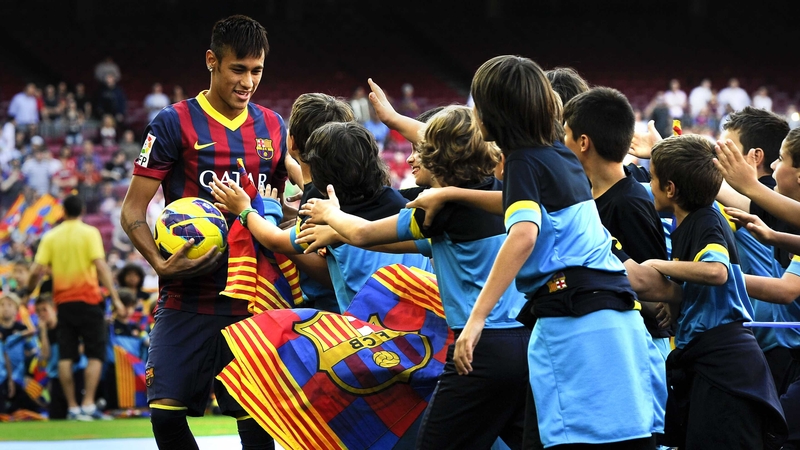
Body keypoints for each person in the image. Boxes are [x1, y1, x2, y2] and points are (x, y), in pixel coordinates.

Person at [454, 55, 664, 449]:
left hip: (574, 324)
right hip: (618, 320)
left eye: (477, 103)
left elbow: (523, 235)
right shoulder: (560, 155)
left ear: (494, 111)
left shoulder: (522, 163)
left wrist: (476, 319)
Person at [297, 104, 530, 450]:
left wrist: (331, 215)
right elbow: (398, 242)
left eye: (420, 149)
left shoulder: (439, 212)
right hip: (525, 342)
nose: (409, 159)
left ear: (440, 159)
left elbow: (365, 234)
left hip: (478, 347)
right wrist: (338, 234)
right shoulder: (503, 198)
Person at [119, 15, 286, 450]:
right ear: (212, 61)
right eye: (238, 69)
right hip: (186, 295)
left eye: (257, 71)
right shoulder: (173, 123)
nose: (248, 81)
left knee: (256, 424)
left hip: (250, 298)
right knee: (166, 418)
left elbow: (285, 209)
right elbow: (133, 210)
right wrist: (158, 261)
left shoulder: (273, 126)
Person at [643, 135, 786, 448]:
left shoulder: (706, 218)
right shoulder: (688, 223)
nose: (649, 186)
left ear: (670, 188)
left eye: (652, 179)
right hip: (705, 360)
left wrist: (656, 264)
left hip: (726, 365)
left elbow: (716, 272)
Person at [210, 121, 432, 313]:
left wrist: (249, 210)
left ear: (320, 175)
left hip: (371, 337)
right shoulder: (406, 207)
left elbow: (274, 240)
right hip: (429, 328)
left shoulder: (327, 219)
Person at [562, 87, 680, 357]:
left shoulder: (628, 203)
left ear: (583, 142)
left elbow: (655, 293)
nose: (561, 142)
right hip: (611, 341)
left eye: (565, 134)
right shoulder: (587, 196)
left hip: (641, 346)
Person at [26, 194, 126, 421]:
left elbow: (36, 271)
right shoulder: (89, 233)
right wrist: (115, 298)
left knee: (65, 356)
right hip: (90, 302)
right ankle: (88, 405)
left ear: (63, 211)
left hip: (63, 304)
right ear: (81, 210)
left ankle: (72, 407)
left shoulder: (51, 236)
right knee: (95, 354)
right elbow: (100, 266)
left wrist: (27, 291)